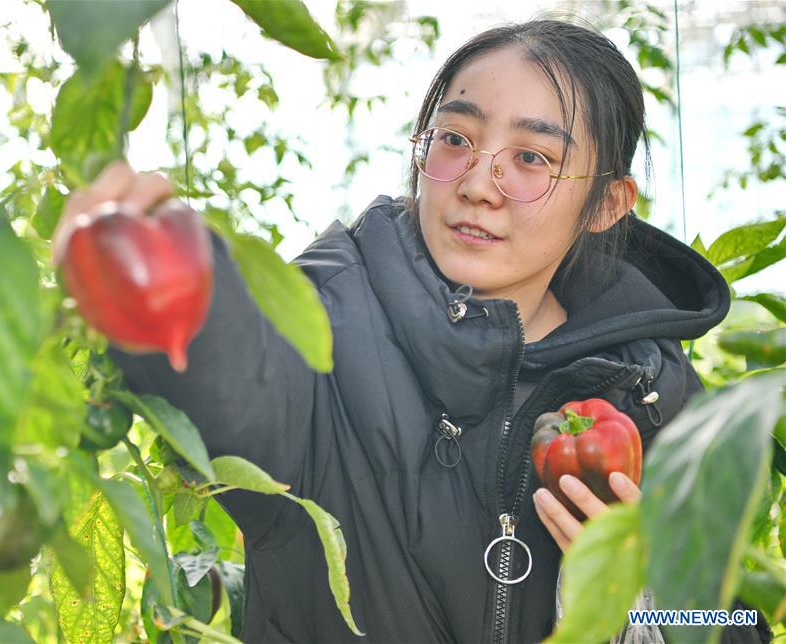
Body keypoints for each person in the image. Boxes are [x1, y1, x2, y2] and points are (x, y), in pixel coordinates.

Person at [53, 19, 770, 644]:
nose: (478, 183)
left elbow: (744, 626)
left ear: (608, 203)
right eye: (455, 139)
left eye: (531, 158)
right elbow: (227, 374)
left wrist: (659, 599)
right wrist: (152, 262)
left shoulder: (657, 392)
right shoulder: (325, 327)